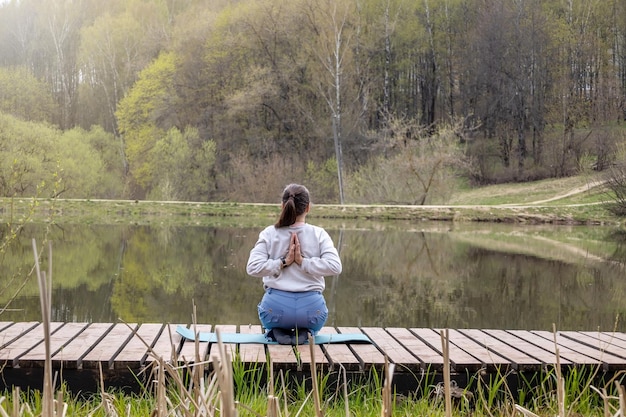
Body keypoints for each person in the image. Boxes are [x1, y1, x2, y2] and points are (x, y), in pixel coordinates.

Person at [246, 184, 342, 344]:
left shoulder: (269, 233)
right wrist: (304, 263)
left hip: (275, 311)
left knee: (271, 314)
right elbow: (335, 266)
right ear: (308, 208)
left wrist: (283, 262)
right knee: (312, 318)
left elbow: (252, 267)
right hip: (312, 312)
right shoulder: (319, 234)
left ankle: (277, 330)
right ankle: (307, 331)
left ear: (283, 206)